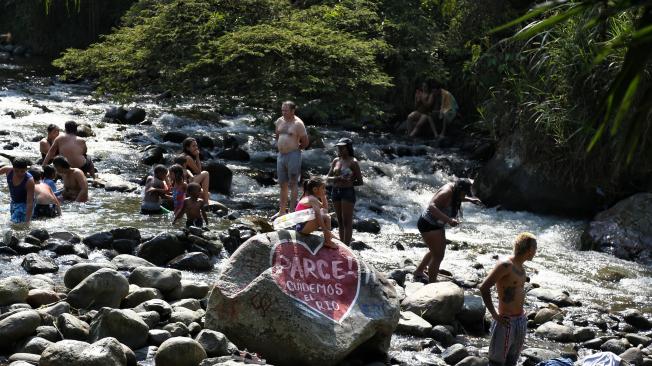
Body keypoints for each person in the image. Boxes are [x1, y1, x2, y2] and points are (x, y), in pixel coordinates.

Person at [480, 233, 537, 366]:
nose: (536, 251)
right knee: (496, 362)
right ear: (528, 250)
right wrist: (494, 314)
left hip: (520, 320)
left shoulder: (521, 268)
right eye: (535, 248)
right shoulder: (506, 265)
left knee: (512, 361)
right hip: (506, 321)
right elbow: (484, 287)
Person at [413, 178, 482, 283]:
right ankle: (432, 284)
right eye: (464, 193)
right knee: (438, 256)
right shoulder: (447, 191)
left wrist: (470, 200)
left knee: (435, 251)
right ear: (459, 189)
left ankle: (419, 271)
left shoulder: (455, 190)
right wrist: (449, 220)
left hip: (435, 224)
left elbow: (457, 197)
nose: (464, 195)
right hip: (429, 224)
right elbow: (431, 206)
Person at [273, 101, 309, 218]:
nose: (283, 112)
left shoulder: (298, 124)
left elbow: (305, 142)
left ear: (293, 111)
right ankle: (282, 210)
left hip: (293, 155)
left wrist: (295, 148)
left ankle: (293, 211)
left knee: (293, 182)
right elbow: (277, 136)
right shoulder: (279, 121)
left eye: (286, 110)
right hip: (281, 155)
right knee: (282, 184)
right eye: (282, 110)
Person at [326, 138, 363, 245]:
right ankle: (341, 245)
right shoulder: (336, 161)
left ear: (348, 148)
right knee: (340, 221)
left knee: (347, 221)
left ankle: (347, 246)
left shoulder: (353, 162)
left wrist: (349, 182)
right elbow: (328, 178)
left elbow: (360, 182)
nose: (340, 149)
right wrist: (337, 179)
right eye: (339, 147)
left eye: (342, 147)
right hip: (335, 191)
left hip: (347, 192)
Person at [294, 176, 337, 249]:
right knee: (326, 217)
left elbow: (325, 209)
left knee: (324, 212)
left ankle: (328, 234)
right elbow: (318, 215)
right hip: (301, 228)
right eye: (323, 188)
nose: (325, 190)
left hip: (302, 226)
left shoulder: (312, 198)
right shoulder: (312, 199)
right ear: (315, 189)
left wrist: (323, 197)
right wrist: (325, 230)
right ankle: (327, 240)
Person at [0, 158, 34, 224]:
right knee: (15, 224)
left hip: (24, 205)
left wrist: (28, 221)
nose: (19, 173)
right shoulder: (8, 170)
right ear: (13, 168)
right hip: (14, 202)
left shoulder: (29, 181)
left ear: (26, 169)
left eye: (22, 171)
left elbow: (30, 202)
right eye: (16, 171)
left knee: (13, 224)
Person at [181, 138, 210, 204]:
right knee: (206, 173)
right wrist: (197, 156)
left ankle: (196, 202)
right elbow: (199, 171)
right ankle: (206, 203)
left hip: (183, 184)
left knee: (207, 194)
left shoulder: (184, 155)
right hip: (184, 185)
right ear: (187, 148)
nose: (196, 148)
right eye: (193, 146)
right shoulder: (188, 158)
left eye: (196, 146)